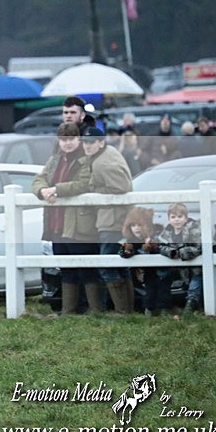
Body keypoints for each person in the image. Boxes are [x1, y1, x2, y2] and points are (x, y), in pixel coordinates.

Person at [32, 123, 99, 315]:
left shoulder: (86, 160)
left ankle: (94, 309)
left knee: (86, 267)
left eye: (71, 139)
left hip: (80, 223)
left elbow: (83, 184)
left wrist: (56, 189)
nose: (67, 143)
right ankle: (69, 310)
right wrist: (43, 190)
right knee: (66, 268)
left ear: (78, 139)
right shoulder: (55, 160)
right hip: (57, 223)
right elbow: (39, 179)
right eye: (63, 139)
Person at [82, 126, 134, 314]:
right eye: (85, 142)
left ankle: (123, 311)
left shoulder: (103, 162)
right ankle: (127, 310)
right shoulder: (107, 153)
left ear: (101, 143)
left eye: (91, 142)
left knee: (107, 265)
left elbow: (121, 187)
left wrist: (94, 190)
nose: (87, 146)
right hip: (117, 218)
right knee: (121, 265)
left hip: (111, 220)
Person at [119, 207, 169, 316]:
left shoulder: (155, 238)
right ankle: (148, 311)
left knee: (163, 291)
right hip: (145, 274)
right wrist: (127, 250)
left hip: (160, 271)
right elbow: (123, 253)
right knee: (149, 293)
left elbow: (162, 249)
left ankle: (164, 311)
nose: (136, 228)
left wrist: (151, 245)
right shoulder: (130, 240)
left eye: (139, 225)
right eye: (133, 225)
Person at [157, 202, 202, 313]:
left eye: (180, 217)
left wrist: (182, 252)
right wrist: (171, 252)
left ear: (186, 218)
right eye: (173, 217)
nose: (176, 220)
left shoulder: (194, 229)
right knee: (163, 278)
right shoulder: (166, 232)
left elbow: (199, 246)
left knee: (195, 283)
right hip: (175, 267)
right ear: (169, 219)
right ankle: (164, 307)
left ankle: (191, 305)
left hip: (193, 265)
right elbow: (160, 246)